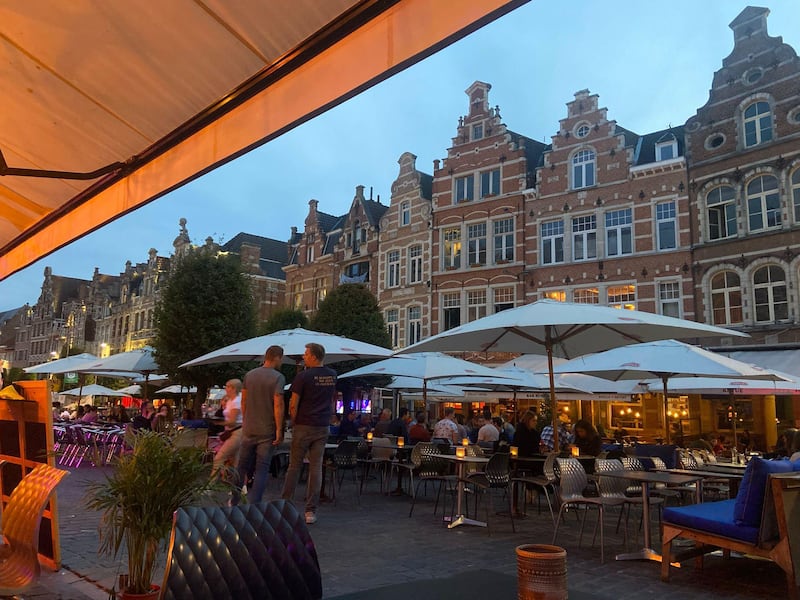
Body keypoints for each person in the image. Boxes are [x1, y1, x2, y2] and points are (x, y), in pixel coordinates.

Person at [282, 343, 336, 525]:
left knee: (294, 466)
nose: (304, 356)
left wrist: (294, 420)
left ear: (313, 356)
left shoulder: (303, 376)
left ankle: (285, 505)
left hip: (304, 425)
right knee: (316, 467)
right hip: (322, 425)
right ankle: (310, 511)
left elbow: (293, 403)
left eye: (306, 354)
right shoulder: (332, 375)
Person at [236, 346, 285, 504]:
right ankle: (254, 503)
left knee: (241, 466)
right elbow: (278, 405)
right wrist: (279, 429)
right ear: (277, 357)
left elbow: (243, 401)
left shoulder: (249, 375)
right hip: (267, 429)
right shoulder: (278, 377)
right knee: (262, 468)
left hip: (249, 427)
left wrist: (246, 419)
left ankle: (234, 499)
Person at [214, 379, 244, 474]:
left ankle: (211, 484)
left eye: (227, 386)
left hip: (236, 432)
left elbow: (232, 422)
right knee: (234, 461)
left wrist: (218, 423)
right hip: (233, 432)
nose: (225, 389)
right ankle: (234, 484)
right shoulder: (232, 400)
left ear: (233, 388)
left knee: (219, 458)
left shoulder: (236, 402)